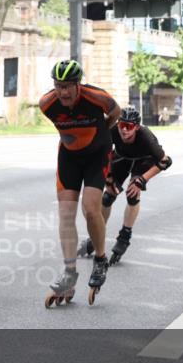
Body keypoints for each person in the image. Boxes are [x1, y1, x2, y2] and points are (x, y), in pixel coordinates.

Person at [39, 59, 120, 306]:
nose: (62, 92)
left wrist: (101, 131)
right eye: (58, 86)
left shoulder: (97, 97)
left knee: (91, 209)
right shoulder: (46, 104)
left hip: (97, 155)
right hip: (69, 157)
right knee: (66, 213)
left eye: (67, 86)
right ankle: (69, 273)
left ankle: (100, 259)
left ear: (78, 85)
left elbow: (115, 112)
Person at [81, 106, 172, 265]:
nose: (124, 130)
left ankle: (124, 236)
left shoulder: (145, 136)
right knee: (108, 196)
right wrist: (109, 177)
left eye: (129, 126)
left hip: (144, 160)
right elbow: (103, 154)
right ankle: (97, 234)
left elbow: (165, 161)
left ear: (136, 127)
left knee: (132, 194)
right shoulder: (113, 131)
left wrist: (142, 180)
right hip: (122, 158)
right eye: (122, 125)